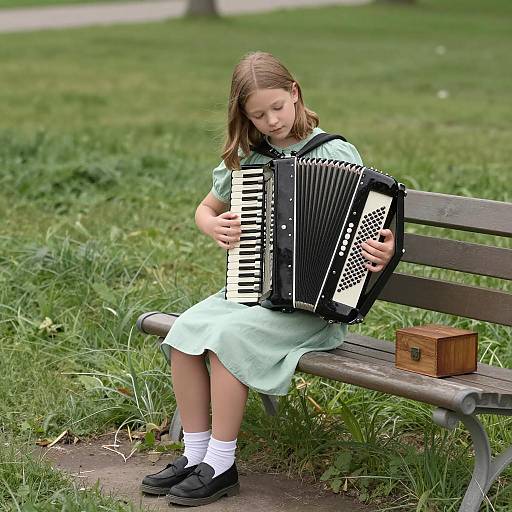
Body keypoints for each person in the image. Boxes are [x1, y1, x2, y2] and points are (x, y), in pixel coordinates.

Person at [140, 51, 395, 506]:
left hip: (312, 312)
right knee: (184, 334)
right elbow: (206, 208)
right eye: (257, 115)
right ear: (243, 116)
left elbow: (371, 226)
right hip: (248, 292)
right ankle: (196, 453)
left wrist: (383, 249)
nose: (271, 121)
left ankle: (220, 463)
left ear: (295, 94)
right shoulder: (250, 156)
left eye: (277, 107)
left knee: (225, 339)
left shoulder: (335, 152)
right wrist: (212, 225)